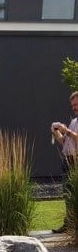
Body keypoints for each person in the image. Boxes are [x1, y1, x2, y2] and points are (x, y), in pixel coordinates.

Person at [50, 91, 78, 232]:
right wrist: (56, 132)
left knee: (75, 192)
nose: (74, 107)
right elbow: (65, 143)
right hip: (67, 160)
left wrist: (66, 130)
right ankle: (69, 223)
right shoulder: (74, 121)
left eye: (77, 104)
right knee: (67, 193)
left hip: (76, 160)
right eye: (73, 105)